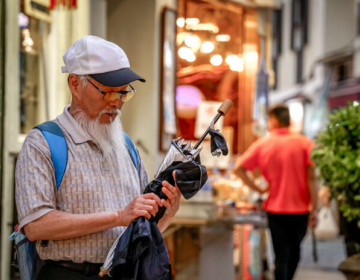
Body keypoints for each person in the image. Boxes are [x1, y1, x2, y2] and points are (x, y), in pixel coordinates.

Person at [15, 35, 181, 280]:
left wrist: (168, 210)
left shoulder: (126, 147)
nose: (116, 103)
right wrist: (118, 217)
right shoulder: (43, 143)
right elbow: (36, 226)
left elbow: (142, 228)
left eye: (123, 94)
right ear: (74, 84)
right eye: (108, 93)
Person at [233, 104, 318, 280]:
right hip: (301, 209)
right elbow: (312, 178)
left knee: (280, 254)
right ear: (289, 121)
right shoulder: (305, 143)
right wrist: (314, 208)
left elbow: (238, 168)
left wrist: (257, 188)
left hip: (275, 208)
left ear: (274, 121)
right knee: (294, 251)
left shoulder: (263, 144)